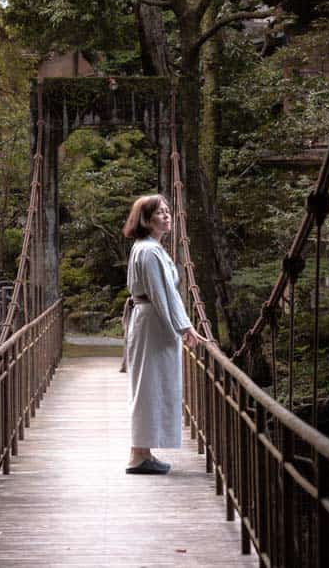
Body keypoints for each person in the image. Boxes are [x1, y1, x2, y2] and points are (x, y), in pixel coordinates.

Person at [121, 194, 208, 474]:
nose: (167, 216)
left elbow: (164, 294)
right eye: (160, 212)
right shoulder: (149, 251)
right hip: (153, 324)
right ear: (146, 220)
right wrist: (185, 326)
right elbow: (164, 294)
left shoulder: (147, 248)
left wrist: (182, 324)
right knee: (148, 386)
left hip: (151, 322)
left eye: (168, 211)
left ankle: (143, 452)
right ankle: (138, 455)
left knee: (149, 385)